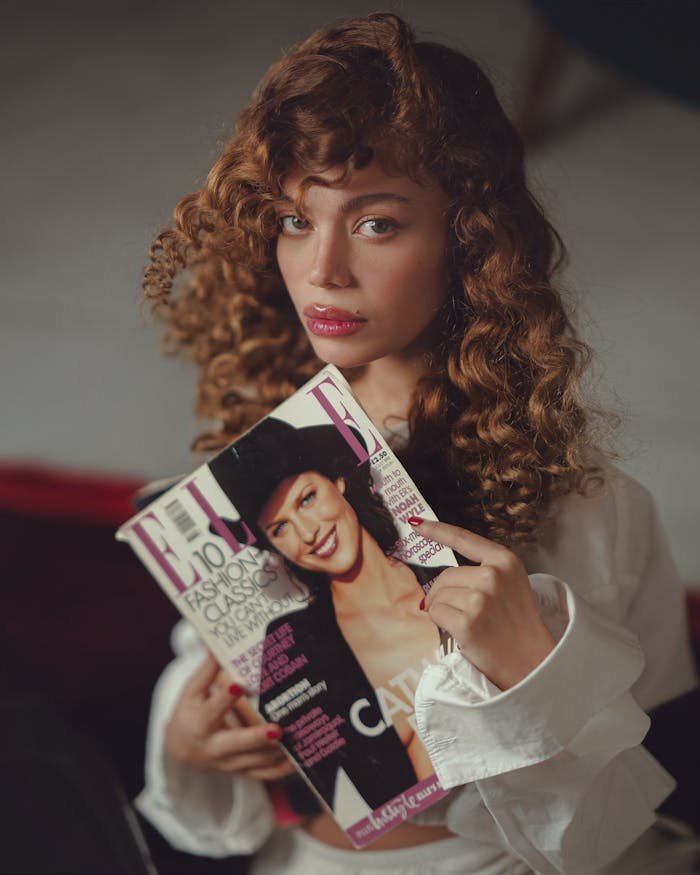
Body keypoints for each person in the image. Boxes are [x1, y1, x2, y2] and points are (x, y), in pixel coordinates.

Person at [135, 12, 699, 874]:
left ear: (468, 239)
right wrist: (191, 732)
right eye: (294, 218)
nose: (322, 269)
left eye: (376, 224)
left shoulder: (591, 510)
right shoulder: (264, 471)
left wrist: (532, 673)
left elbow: (641, 790)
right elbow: (206, 708)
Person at [207, 416, 446, 821]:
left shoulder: (448, 577)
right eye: (280, 528)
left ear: (338, 481)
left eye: (306, 499)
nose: (307, 533)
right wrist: (244, 727)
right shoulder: (292, 644)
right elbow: (322, 792)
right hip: (411, 845)